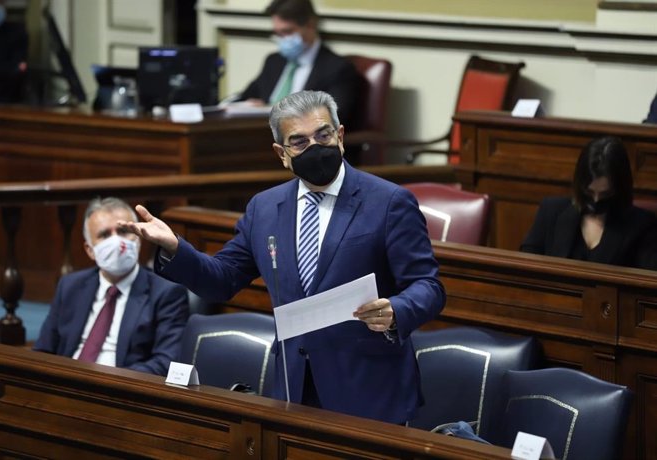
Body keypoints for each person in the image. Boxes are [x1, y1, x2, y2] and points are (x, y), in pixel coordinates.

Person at [120, 90, 445, 424]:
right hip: (293, 389)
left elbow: (428, 286)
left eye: (323, 135)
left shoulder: (389, 201)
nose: (316, 147)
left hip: (369, 392)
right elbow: (222, 280)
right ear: (282, 153)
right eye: (300, 142)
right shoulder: (264, 208)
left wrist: (396, 311)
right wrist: (175, 246)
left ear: (341, 136)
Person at [34, 197, 189, 376]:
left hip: (122, 392)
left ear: (138, 240)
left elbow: (165, 363)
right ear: (90, 250)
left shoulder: (166, 293)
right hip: (65, 384)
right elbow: (43, 350)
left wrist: (107, 382)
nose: (117, 242)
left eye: (124, 231)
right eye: (105, 235)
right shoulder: (70, 286)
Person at [520, 136, 657, 270]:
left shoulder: (641, 225)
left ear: (619, 189)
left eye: (605, 194)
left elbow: (646, 283)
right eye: (589, 193)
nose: (596, 200)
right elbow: (526, 265)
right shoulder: (551, 211)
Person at [237, 0, 359, 127]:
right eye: (278, 33)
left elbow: (332, 117)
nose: (283, 39)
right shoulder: (274, 61)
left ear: (310, 25)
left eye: (288, 32)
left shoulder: (337, 69)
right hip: (257, 136)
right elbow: (245, 98)